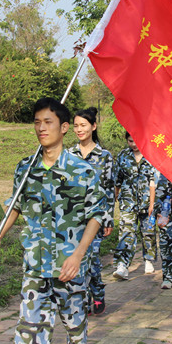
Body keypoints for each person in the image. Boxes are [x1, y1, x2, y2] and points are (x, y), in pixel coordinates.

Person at [0, 97, 105, 344]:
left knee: (75, 334)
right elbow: (15, 206)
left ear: (64, 128)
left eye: (48, 122)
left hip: (70, 268)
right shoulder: (25, 168)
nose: (41, 128)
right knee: (27, 339)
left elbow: (96, 215)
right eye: (37, 122)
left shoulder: (83, 169)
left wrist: (79, 254)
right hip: (36, 267)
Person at [69, 107, 115, 315]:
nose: (79, 130)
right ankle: (84, 298)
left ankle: (97, 293)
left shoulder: (105, 156)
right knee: (79, 258)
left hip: (95, 217)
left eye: (83, 125)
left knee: (93, 257)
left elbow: (109, 189)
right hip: (73, 217)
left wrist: (108, 218)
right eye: (76, 126)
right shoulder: (68, 154)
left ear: (93, 126)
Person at [113, 132, 158, 279]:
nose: (133, 144)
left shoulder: (151, 155)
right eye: (130, 141)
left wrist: (152, 204)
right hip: (128, 201)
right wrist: (115, 197)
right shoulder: (123, 156)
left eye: (136, 141)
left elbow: (154, 181)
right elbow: (117, 180)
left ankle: (149, 260)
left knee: (148, 232)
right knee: (126, 232)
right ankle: (122, 265)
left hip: (147, 202)